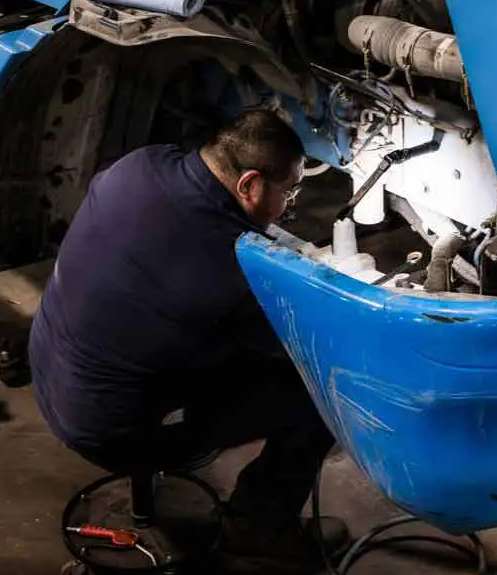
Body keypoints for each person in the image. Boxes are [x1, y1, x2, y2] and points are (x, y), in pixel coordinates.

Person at [31, 108, 340, 570]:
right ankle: (259, 528)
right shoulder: (225, 273)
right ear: (250, 185)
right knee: (316, 397)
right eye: (289, 190)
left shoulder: (140, 164)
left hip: (49, 369)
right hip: (109, 434)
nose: (290, 204)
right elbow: (296, 346)